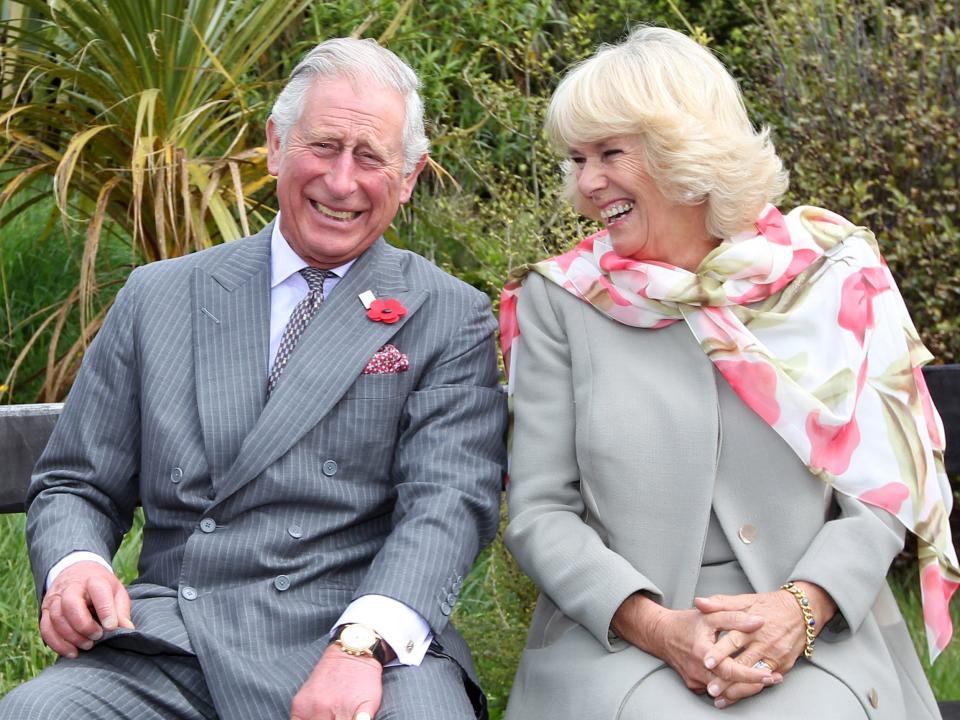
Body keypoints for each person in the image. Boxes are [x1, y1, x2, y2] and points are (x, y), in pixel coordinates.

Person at [0, 38, 506, 720]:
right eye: (323, 146)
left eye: (371, 158)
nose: (342, 180)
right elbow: (77, 482)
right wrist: (75, 567)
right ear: (274, 145)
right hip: (177, 643)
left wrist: (361, 646)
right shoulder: (160, 296)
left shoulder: (448, 314)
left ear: (409, 177)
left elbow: (446, 507)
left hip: (370, 640)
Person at [499, 26, 957, 719]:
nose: (588, 183)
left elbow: (885, 488)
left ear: (683, 149)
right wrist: (657, 625)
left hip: (814, 626)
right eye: (577, 159)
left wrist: (799, 609)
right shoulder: (562, 301)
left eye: (610, 153)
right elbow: (539, 510)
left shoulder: (831, 275)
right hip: (620, 639)